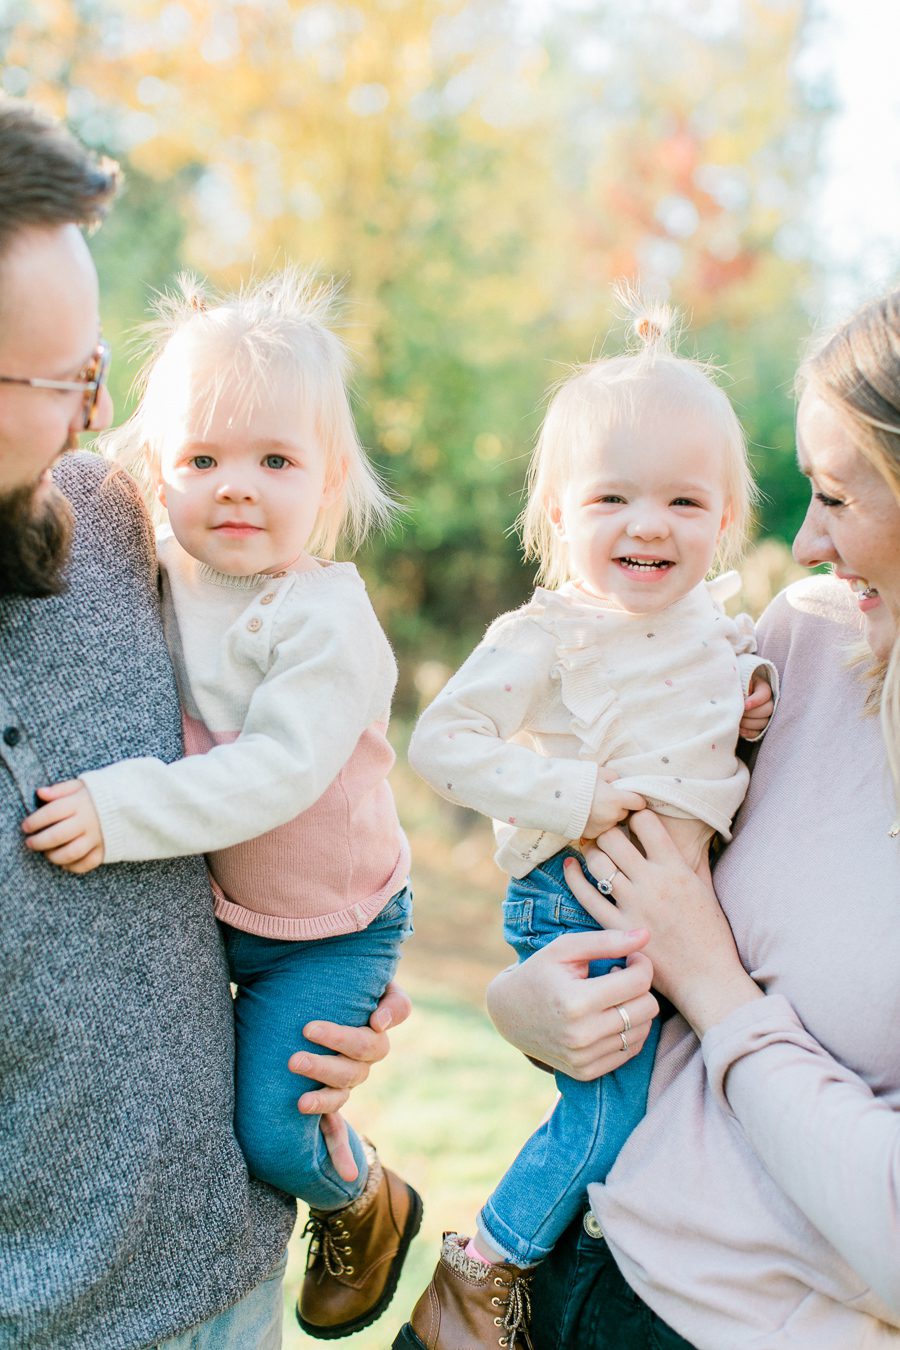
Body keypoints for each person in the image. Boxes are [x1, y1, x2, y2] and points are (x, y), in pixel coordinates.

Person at [0, 95, 408, 1350]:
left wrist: (332, 964)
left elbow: (297, 774)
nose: (88, 423)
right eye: (64, 378)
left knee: (284, 1116)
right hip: (44, 1306)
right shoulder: (157, 510)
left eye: (97, 379)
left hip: (211, 1266)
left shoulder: (116, 523)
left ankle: (360, 1198)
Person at [485, 287, 900, 1348]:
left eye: (841, 500)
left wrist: (712, 986)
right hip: (562, 1256)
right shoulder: (805, 644)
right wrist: (529, 1008)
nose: (805, 542)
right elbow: (637, 891)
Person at [399, 306, 776, 1349]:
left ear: (725, 518)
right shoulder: (552, 635)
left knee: (663, 1113)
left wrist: (745, 710)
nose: (646, 524)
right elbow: (443, 742)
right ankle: (481, 1272)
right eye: (610, 498)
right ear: (559, 518)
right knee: (610, 1114)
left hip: (670, 909)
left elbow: (701, 733)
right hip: (577, 889)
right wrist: (574, 797)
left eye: (682, 501)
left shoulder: (713, 626)